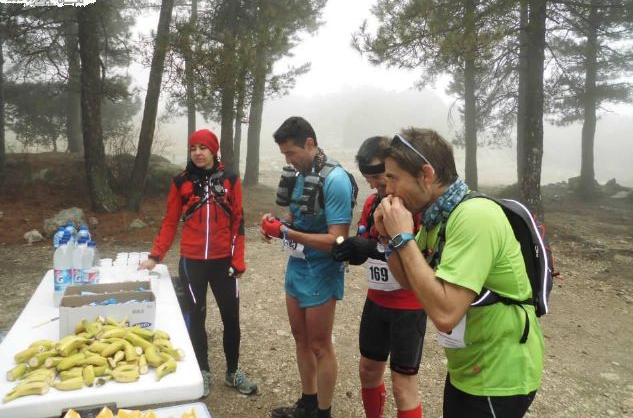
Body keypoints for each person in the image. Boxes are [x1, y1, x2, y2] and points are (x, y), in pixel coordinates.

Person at [375, 128, 544, 418]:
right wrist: (388, 239)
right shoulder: (436, 216)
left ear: (425, 174)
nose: (387, 188)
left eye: (393, 178)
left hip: (499, 374)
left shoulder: (474, 216)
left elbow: (444, 314)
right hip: (468, 366)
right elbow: (411, 282)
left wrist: (403, 238)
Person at [139, 129, 257, 398]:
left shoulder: (230, 180)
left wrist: (238, 260)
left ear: (214, 151)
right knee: (197, 317)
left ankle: (233, 372)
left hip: (223, 262)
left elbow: (238, 222)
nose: (198, 153)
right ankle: (202, 371)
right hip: (192, 262)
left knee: (231, 318)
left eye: (204, 148)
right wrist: (155, 256)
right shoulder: (181, 181)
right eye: (193, 148)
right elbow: (170, 221)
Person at [260, 116, 354, 418]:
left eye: (291, 153)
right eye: (284, 154)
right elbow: (294, 216)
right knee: (300, 337)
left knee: (319, 345)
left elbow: (338, 241)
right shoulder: (299, 173)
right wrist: (277, 225)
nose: (288, 159)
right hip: (297, 266)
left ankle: (323, 413)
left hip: (322, 272)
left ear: (310, 144)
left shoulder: (335, 179)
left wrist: (288, 233)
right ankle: (308, 403)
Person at [332, 136, 426, 418]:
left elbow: (419, 255)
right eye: (367, 178)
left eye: (377, 177)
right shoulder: (372, 203)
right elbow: (365, 240)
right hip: (376, 300)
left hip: (409, 304)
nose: (373, 184)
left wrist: (372, 247)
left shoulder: (413, 205)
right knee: (368, 370)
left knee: (402, 385)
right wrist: (354, 249)